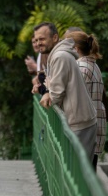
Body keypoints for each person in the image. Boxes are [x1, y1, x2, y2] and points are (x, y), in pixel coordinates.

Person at [35, 22, 97, 164]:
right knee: (75, 172)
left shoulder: (60, 57)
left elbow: (55, 95)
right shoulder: (58, 55)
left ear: (55, 37)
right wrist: (48, 88)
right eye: (37, 40)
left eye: (42, 39)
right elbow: (53, 86)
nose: (38, 43)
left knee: (77, 174)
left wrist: (47, 92)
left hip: (80, 123)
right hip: (80, 121)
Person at [63, 30, 107, 170]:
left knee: (80, 173)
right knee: (89, 171)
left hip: (85, 129)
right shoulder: (94, 66)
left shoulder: (81, 68)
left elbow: (71, 95)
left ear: (75, 49)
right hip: (96, 125)